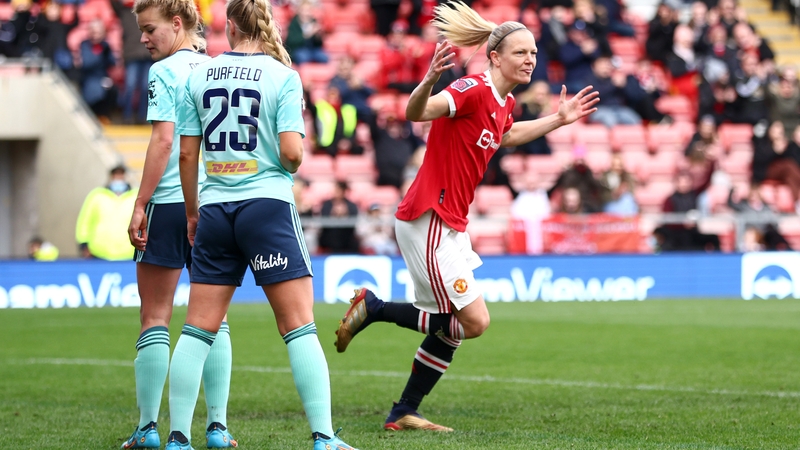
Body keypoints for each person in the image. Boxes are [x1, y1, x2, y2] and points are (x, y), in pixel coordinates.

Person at [334, 1, 598, 431]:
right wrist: (429, 80)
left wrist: (557, 120)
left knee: (455, 328)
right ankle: (375, 308)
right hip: (428, 218)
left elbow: (506, 135)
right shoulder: (472, 89)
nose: (530, 59)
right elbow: (415, 113)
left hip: (451, 225)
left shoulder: (504, 102)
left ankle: (404, 412)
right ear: (495, 57)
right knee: (472, 321)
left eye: (533, 52)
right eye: (521, 52)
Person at [170, 0, 358, 447]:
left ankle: (177, 437)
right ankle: (323, 437)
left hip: (214, 209)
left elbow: (185, 154)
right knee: (299, 326)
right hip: (267, 207)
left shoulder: (199, 75)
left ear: (230, 27)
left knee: (198, 329)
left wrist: (194, 212)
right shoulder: (283, 76)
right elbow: (292, 153)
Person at [122, 0, 237, 448]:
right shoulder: (215, 69)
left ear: (176, 23)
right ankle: (217, 427)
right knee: (215, 319)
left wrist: (139, 203)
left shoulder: (163, 73)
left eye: (149, 29)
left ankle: (149, 428)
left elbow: (165, 139)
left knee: (154, 316)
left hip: (169, 204)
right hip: (213, 202)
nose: (144, 39)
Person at [75, 165, 138, 261]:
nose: (118, 178)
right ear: (111, 177)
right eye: (116, 175)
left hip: (130, 254)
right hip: (99, 254)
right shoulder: (96, 195)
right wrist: (84, 245)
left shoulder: (136, 195)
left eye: (121, 175)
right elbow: (84, 221)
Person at [317, 180, 361, 254]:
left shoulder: (351, 205)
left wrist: (345, 214)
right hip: (329, 235)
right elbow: (323, 219)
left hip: (347, 235)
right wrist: (333, 214)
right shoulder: (327, 204)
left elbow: (354, 220)